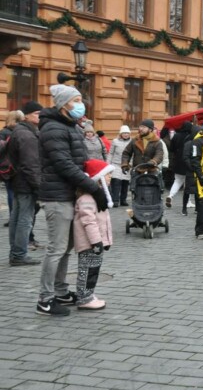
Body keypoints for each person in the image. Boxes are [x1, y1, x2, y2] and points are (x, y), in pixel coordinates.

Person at [37, 84, 108, 317]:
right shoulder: (54, 128)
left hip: (69, 194)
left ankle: (60, 292)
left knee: (66, 248)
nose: (81, 104)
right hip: (57, 196)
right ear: (64, 104)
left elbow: (79, 161)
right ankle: (45, 300)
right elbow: (64, 164)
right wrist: (92, 188)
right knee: (56, 249)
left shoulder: (70, 126)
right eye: (76, 100)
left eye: (80, 99)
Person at [72, 158, 114, 311]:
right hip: (89, 244)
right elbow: (89, 222)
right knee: (87, 271)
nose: (110, 177)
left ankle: (88, 294)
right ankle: (84, 298)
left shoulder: (97, 197)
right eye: (108, 175)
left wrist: (105, 241)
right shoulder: (87, 198)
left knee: (93, 270)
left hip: (95, 244)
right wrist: (97, 242)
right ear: (98, 177)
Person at [7, 101, 43, 266]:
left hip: (18, 181)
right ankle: (19, 254)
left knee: (16, 217)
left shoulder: (21, 130)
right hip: (26, 183)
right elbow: (31, 164)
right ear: (27, 115)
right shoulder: (27, 134)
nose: (40, 116)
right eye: (37, 113)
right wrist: (38, 186)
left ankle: (15, 253)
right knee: (24, 219)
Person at [1, 110, 23, 223]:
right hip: (21, 165)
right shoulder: (23, 130)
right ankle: (17, 216)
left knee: (11, 191)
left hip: (8, 166)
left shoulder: (4, 132)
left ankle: (13, 217)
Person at [166, 122, 193, 209]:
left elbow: (171, 149)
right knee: (188, 182)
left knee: (177, 180)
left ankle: (170, 195)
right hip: (188, 161)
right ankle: (188, 201)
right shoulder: (191, 136)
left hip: (177, 161)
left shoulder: (176, 135)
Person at [108, 125, 132, 207]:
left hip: (126, 165)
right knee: (116, 182)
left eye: (127, 133)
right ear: (121, 134)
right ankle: (115, 200)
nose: (126, 134)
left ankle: (123, 200)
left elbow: (133, 154)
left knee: (125, 183)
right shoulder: (115, 141)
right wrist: (108, 164)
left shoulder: (131, 142)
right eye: (124, 133)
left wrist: (131, 164)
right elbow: (111, 153)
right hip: (116, 164)